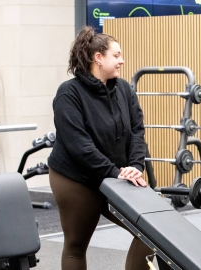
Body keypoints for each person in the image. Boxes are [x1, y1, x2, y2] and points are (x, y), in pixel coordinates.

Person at [48, 26, 153, 270]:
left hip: (116, 175)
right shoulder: (69, 93)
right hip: (76, 178)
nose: (122, 61)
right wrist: (116, 172)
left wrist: (135, 168)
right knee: (76, 245)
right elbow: (79, 146)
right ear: (98, 58)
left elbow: (137, 131)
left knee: (151, 233)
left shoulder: (124, 89)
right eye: (116, 56)